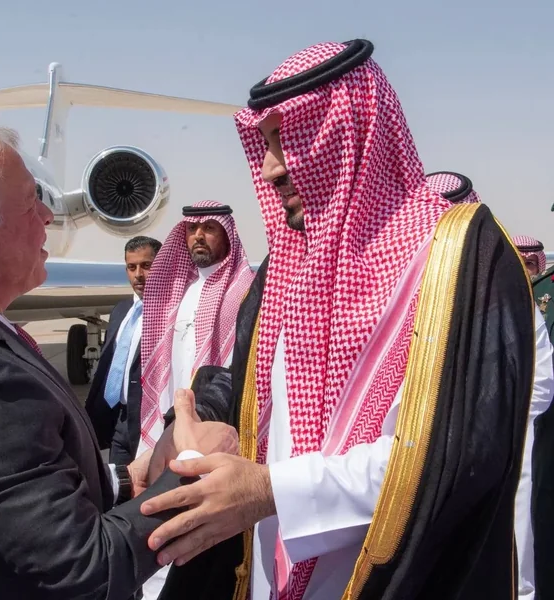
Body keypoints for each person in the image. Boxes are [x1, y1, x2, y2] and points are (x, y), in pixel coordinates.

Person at [142, 39, 537, 599]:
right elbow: (255, 387)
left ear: (351, 135)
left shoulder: (460, 258)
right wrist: (204, 418)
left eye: (288, 139)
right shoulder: (286, 265)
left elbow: (459, 453)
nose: (272, 168)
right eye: (266, 144)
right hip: (268, 570)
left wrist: (272, 491)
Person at [0, 120, 239, 600]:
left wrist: (125, 480)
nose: (47, 216)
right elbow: (90, 569)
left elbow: (7, 499)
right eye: (28, 203)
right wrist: (192, 467)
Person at [427, 171, 554, 600]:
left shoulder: (507, 289)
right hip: (421, 457)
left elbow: (539, 383)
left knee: (508, 562)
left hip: (500, 451)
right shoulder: (411, 292)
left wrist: (479, 428)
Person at [136, 200, 255, 599]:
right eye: (192, 229)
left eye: (209, 228)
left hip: (212, 427)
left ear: (227, 234)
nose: (199, 236)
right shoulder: (179, 290)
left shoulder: (244, 290)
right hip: (169, 422)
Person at [85, 235, 162, 461]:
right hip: (119, 421)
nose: (138, 274)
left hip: (152, 422)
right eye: (131, 267)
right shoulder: (121, 311)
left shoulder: (171, 312)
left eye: (146, 265)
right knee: (117, 479)